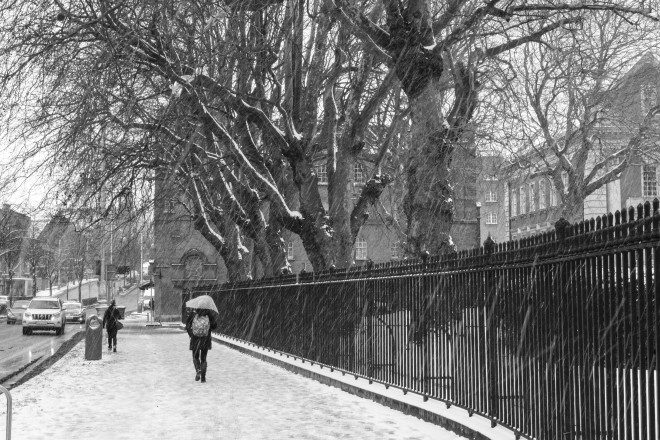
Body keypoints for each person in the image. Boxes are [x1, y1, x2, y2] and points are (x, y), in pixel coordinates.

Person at [185, 308, 217, 382]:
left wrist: (191, 334)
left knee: (195, 357)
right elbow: (214, 326)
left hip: (195, 339)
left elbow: (187, 325)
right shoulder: (208, 314)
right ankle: (203, 378)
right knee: (203, 358)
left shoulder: (193, 314)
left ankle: (198, 370)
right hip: (205, 339)